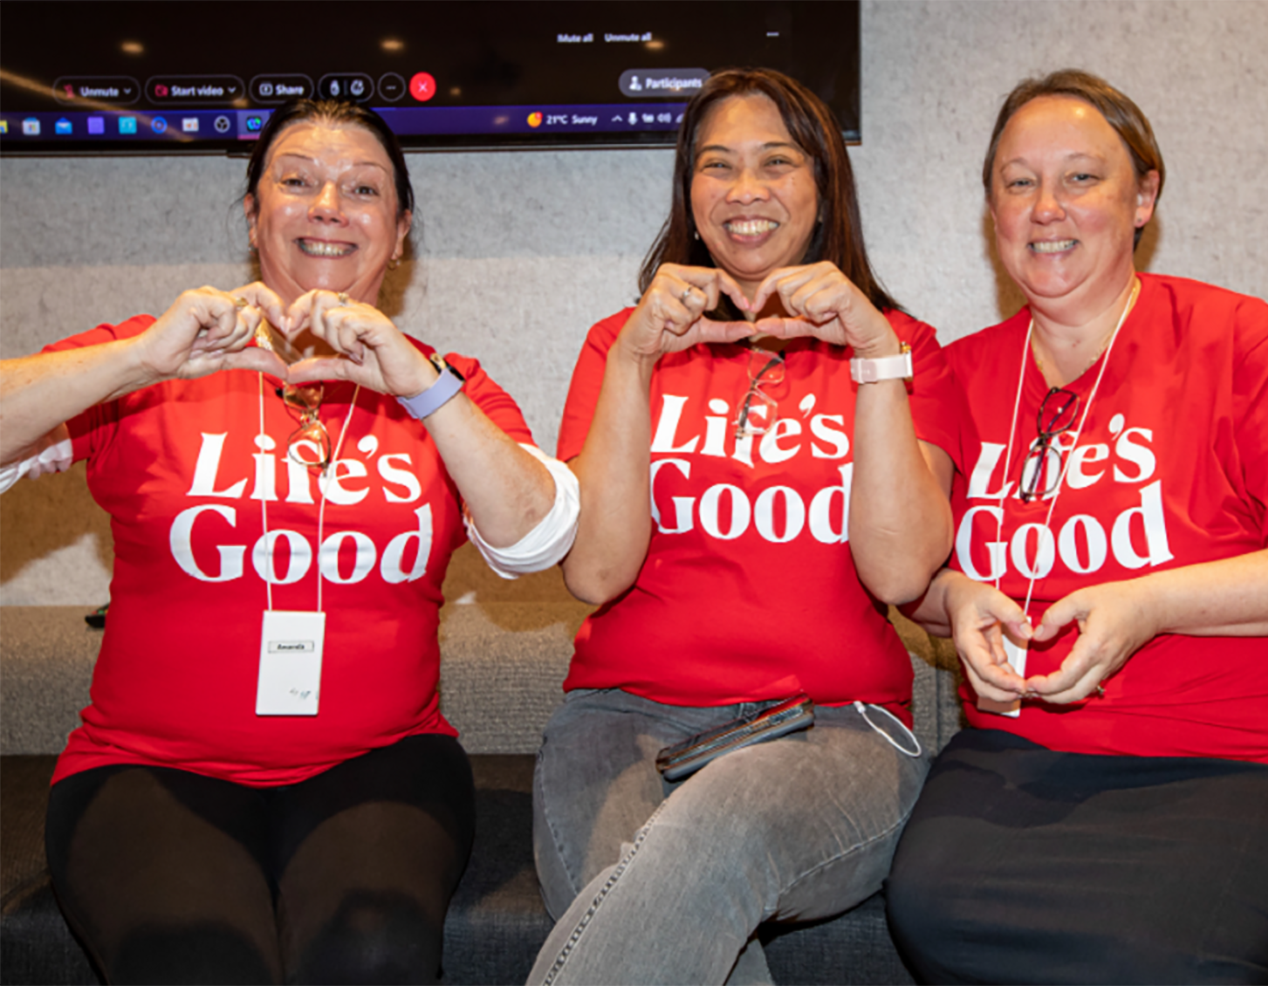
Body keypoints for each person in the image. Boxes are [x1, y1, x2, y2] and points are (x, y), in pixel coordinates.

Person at [0, 99, 579, 986]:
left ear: (399, 230)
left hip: (380, 769)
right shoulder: (155, 363)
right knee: (195, 962)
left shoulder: (442, 389)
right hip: (150, 773)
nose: (327, 205)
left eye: (362, 188)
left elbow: (539, 539)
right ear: (252, 210)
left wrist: (421, 386)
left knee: (372, 954)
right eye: (297, 181)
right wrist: (141, 360)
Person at [886, 69, 1268, 985]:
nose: (1047, 207)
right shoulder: (958, 378)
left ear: (1143, 199)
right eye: (1019, 183)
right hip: (1027, 756)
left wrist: (1148, 604)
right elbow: (912, 576)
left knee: (1155, 957)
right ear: (993, 211)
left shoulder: (1240, 340)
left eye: (1082, 178)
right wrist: (958, 593)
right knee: (933, 916)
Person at [526, 68, 958, 986]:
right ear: (688, 193)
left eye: (776, 162)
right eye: (716, 166)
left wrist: (873, 355)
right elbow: (595, 574)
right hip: (621, 726)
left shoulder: (901, 345)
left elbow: (901, 570)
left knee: (708, 834)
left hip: (835, 735)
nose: (744, 190)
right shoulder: (621, 341)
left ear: (822, 187)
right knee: (672, 918)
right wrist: (639, 359)